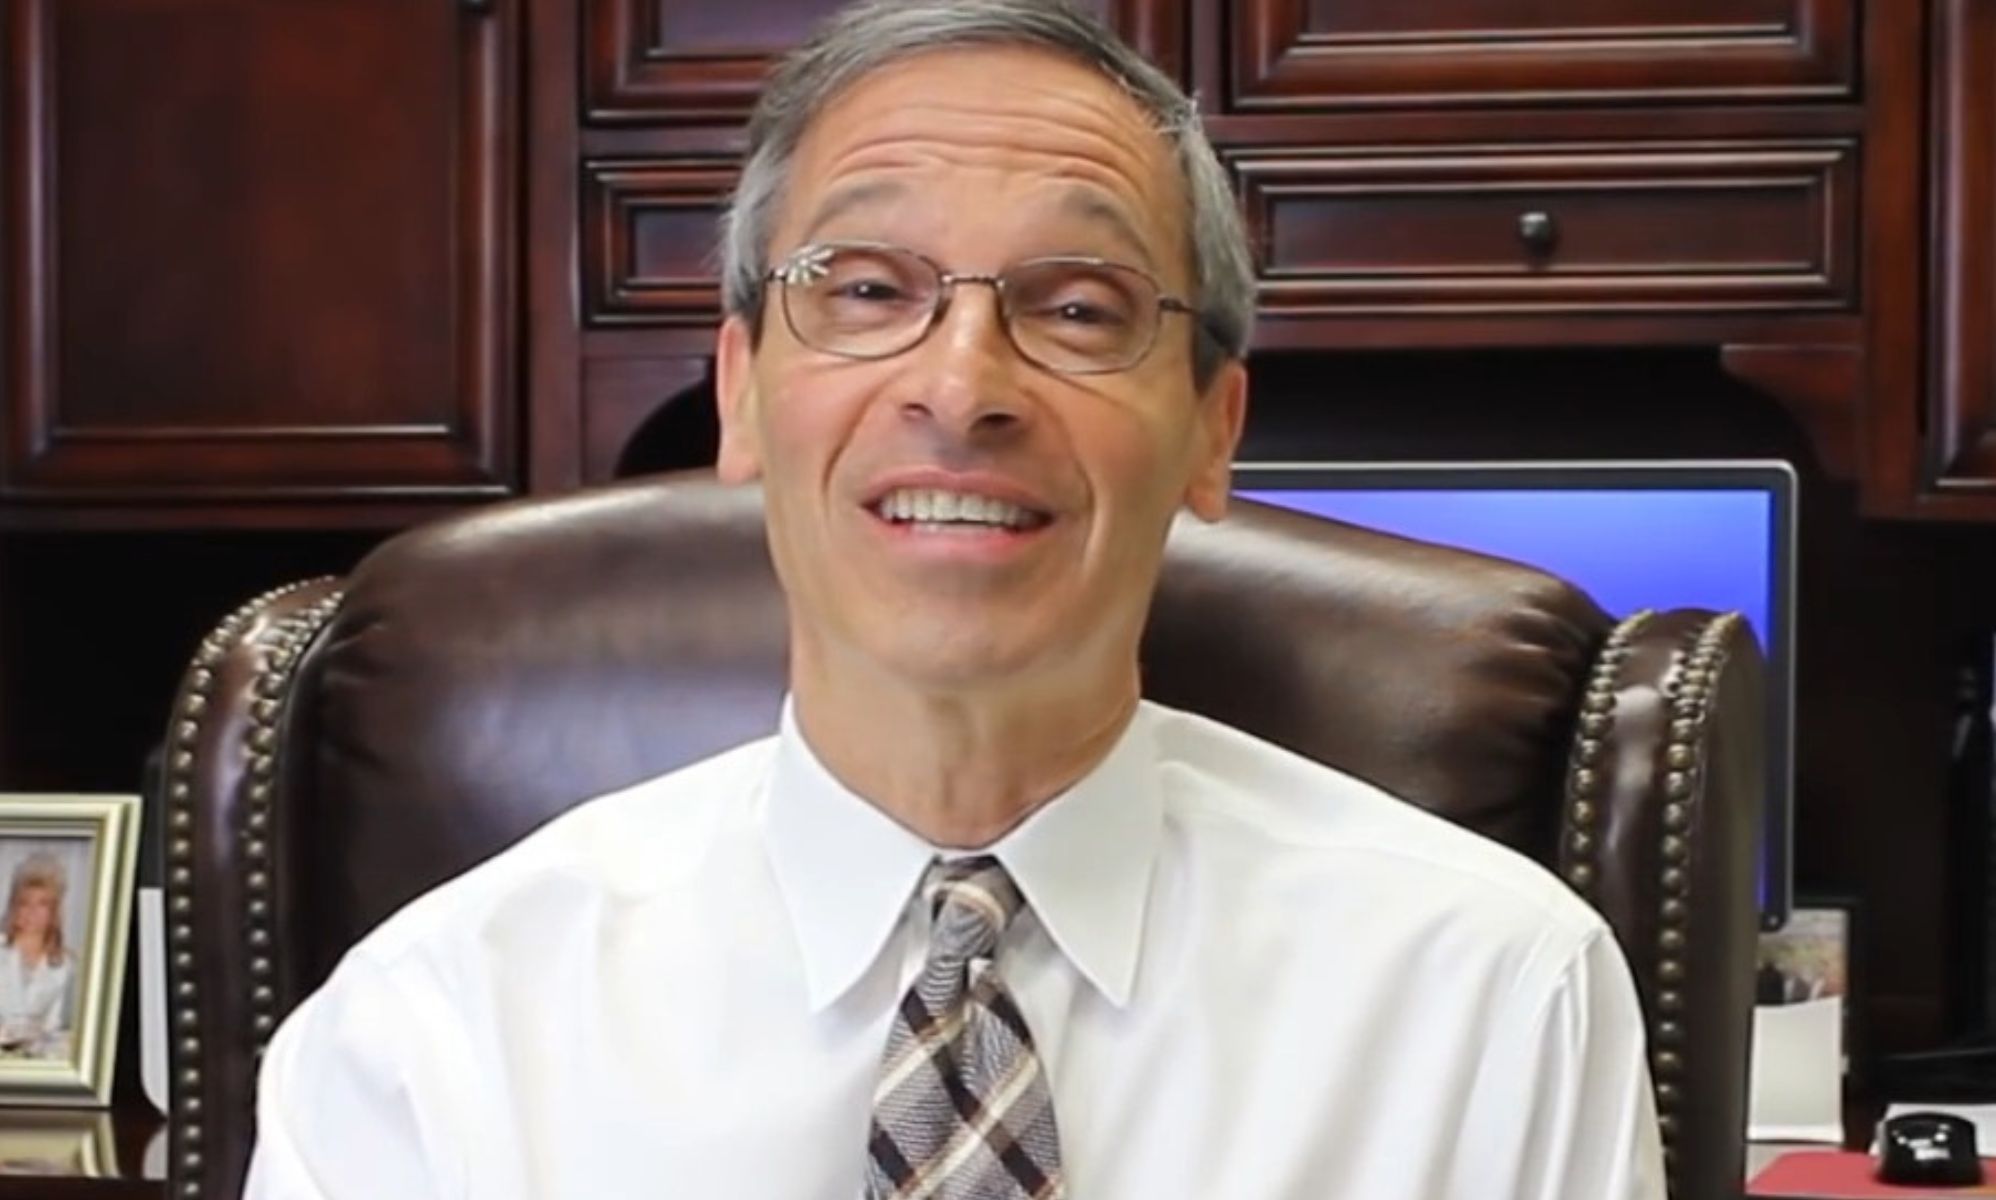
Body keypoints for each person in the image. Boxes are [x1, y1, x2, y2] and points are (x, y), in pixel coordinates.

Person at [246, 1, 1666, 1196]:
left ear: (1213, 432)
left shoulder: (1491, 995)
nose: (963, 386)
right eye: (867, 289)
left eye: (1077, 306)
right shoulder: (433, 1033)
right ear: (741, 395)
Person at [0, 852, 73, 1058]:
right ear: (14, 908)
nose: (31, 912)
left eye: (42, 904)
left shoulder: (63, 964)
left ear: (54, 913)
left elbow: (53, 1028)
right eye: (24, 903)